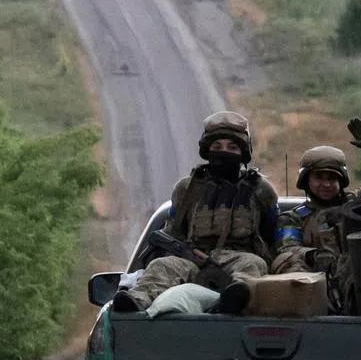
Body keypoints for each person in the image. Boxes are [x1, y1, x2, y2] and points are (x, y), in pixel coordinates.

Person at [111, 111, 279, 314]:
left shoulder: (260, 190)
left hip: (238, 257)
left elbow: (273, 238)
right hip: (191, 258)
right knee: (162, 265)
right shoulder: (186, 189)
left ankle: (230, 303)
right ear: (207, 150)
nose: (223, 152)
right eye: (217, 147)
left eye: (232, 147)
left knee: (254, 264)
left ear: (243, 153)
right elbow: (172, 232)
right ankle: (137, 300)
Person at [270, 117, 361, 277]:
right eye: (319, 177)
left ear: (341, 181)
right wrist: (313, 256)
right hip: (318, 287)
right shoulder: (293, 219)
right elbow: (288, 250)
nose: (326, 184)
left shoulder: (360, 205)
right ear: (306, 181)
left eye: (332, 178)